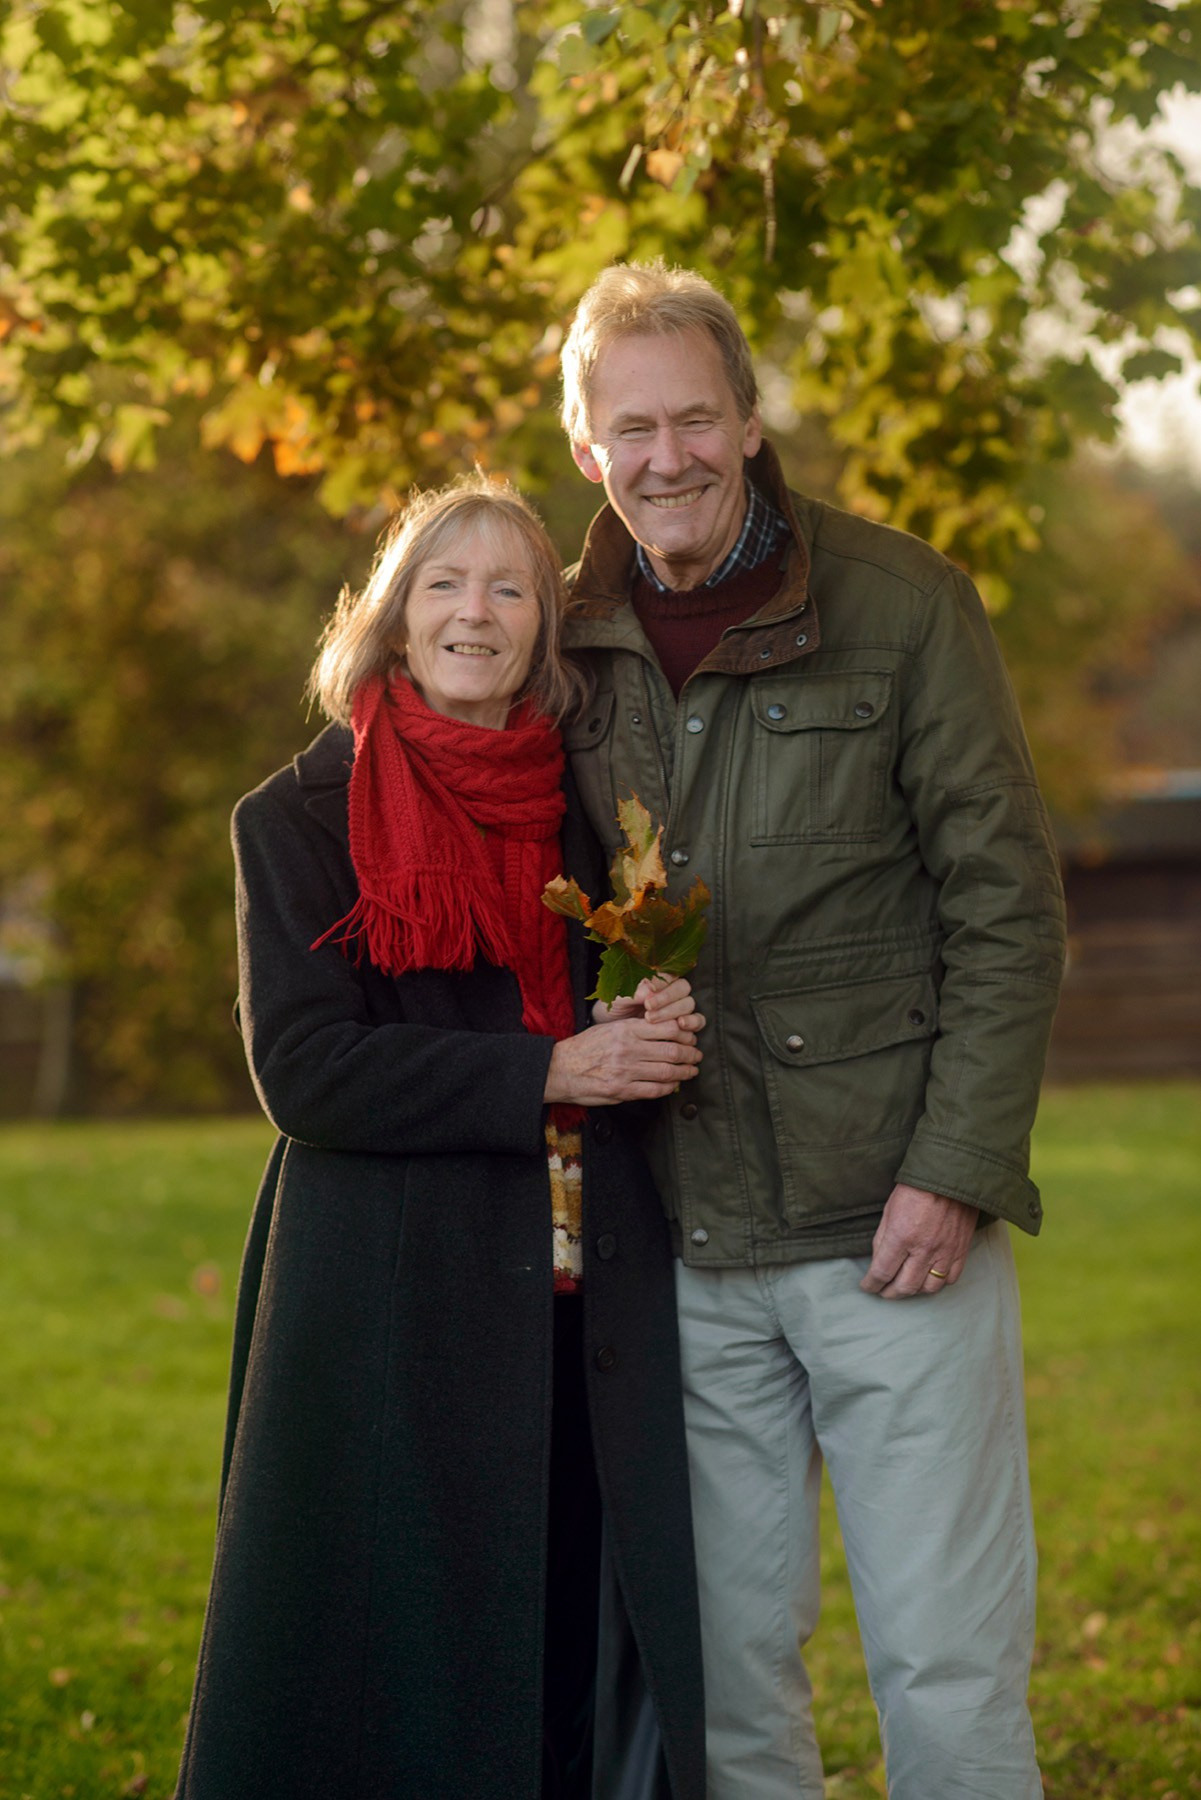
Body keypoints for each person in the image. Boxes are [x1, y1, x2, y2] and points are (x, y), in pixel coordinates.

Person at [556, 260, 1067, 1800]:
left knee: (946, 1667)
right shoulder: (555, 636)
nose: (666, 458)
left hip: (888, 1230)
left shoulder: (902, 605)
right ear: (584, 446)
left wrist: (954, 1170)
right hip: (679, 1246)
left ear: (748, 420)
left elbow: (1004, 905)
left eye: (694, 419)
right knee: (721, 1688)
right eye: (631, 428)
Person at [175, 475, 708, 1800]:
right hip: (393, 1308)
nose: (477, 611)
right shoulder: (296, 816)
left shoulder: (589, 812)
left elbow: (604, 1021)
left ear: (543, 630)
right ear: (393, 616)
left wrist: (646, 1015)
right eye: (444, 583)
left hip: (583, 1306)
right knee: (392, 1679)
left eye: (510, 587)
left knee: (573, 1661)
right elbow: (306, 1071)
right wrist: (552, 1067)